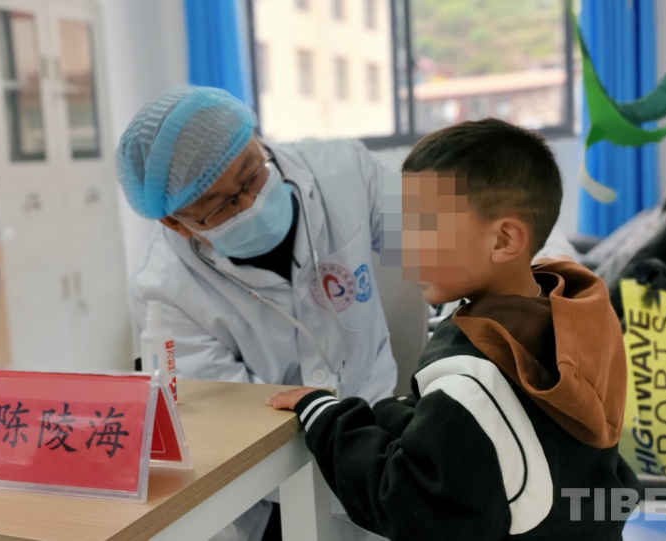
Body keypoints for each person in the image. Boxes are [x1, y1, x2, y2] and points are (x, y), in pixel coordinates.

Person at [115, 87, 580, 541]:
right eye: (224, 204)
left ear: (257, 139)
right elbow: (234, 419)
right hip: (276, 485)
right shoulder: (164, 289)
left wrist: (554, 286)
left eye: (251, 174)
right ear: (175, 223)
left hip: (384, 439)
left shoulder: (341, 171)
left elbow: (469, 234)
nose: (251, 200)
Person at [268, 119, 640, 541]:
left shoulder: (469, 382)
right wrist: (398, 415)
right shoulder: (573, 315)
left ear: (503, 241)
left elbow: (406, 504)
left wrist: (327, 416)